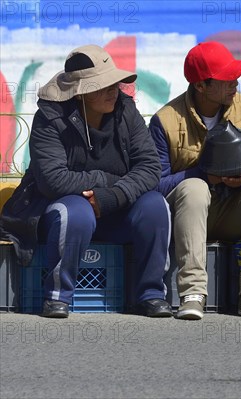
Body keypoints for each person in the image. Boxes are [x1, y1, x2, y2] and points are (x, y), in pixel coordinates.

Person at [0, 45, 172, 318]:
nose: (113, 90)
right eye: (102, 85)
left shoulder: (127, 111)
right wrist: (106, 180)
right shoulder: (50, 118)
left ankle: (150, 294)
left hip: (115, 208)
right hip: (58, 212)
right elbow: (54, 181)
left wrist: (112, 195)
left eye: (114, 83)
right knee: (75, 212)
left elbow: (150, 167)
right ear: (78, 91)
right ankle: (57, 296)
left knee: (155, 205)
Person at [149, 42, 241, 320]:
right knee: (194, 187)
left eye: (235, 76)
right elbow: (155, 185)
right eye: (225, 79)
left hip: (233, 210)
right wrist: (205, 175)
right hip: (188, 215)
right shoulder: (165, 120)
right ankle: (193, 292)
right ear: (201, 86)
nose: (235, 83)